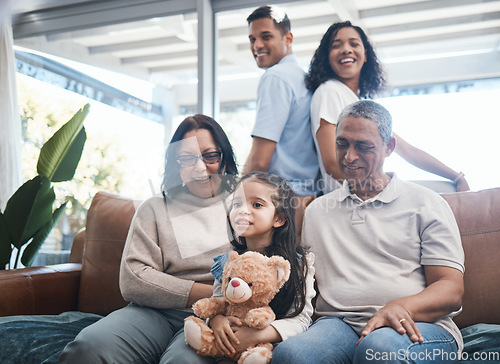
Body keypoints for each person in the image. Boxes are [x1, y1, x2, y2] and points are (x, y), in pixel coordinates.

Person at [271, 100, 465, 364]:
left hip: (416, 323)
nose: (349, 156)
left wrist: (400, 306)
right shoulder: (317, 212)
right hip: (339, 326)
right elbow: (303, 288)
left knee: (379, 350)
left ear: (389, 147)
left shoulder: (427, 203)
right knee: (292, 355)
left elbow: (451, 289)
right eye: (342, 144)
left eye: (363, 146)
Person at [59, 114, 239, 364]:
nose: (200, 167)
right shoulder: (155, 208)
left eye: (210, 155)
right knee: (88, 347)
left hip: (214, 318)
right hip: (154, 313)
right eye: (187, 159)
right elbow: (134, 280)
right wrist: (212, 294)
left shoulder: (245, 205)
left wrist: (218, 306)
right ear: (176, 164)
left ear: (224, 157)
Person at [306, 21, 470, 194]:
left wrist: (456, 177)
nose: (346, 49)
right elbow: (331, 162)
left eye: (354, 44)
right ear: (327, 56)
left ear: (366, 54)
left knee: (449, 189)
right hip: (353, 197)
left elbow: (407, 151)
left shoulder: (357, 102)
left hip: (370, 190)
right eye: (336, 45)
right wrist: (372, 192)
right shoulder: (329, 91)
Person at [205, 172, 315, 363]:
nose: (242, 211)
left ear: (279, 219)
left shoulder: (297, 265)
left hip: (272, 346)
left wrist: (257, 335)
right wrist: (216, 321)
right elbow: (216, 304)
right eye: (237, 204)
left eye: (256, 204)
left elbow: (301, 320)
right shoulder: (227, 261)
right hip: (230, 345)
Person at [242, 5, 320, 197]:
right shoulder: (303, 78)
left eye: (266, 37)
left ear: (288, 38)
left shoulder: (276, 77)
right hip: (307, 197)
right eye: (252, 39)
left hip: (281, 200)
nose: (257, 45)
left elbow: (259, 162)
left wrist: (234, 200)